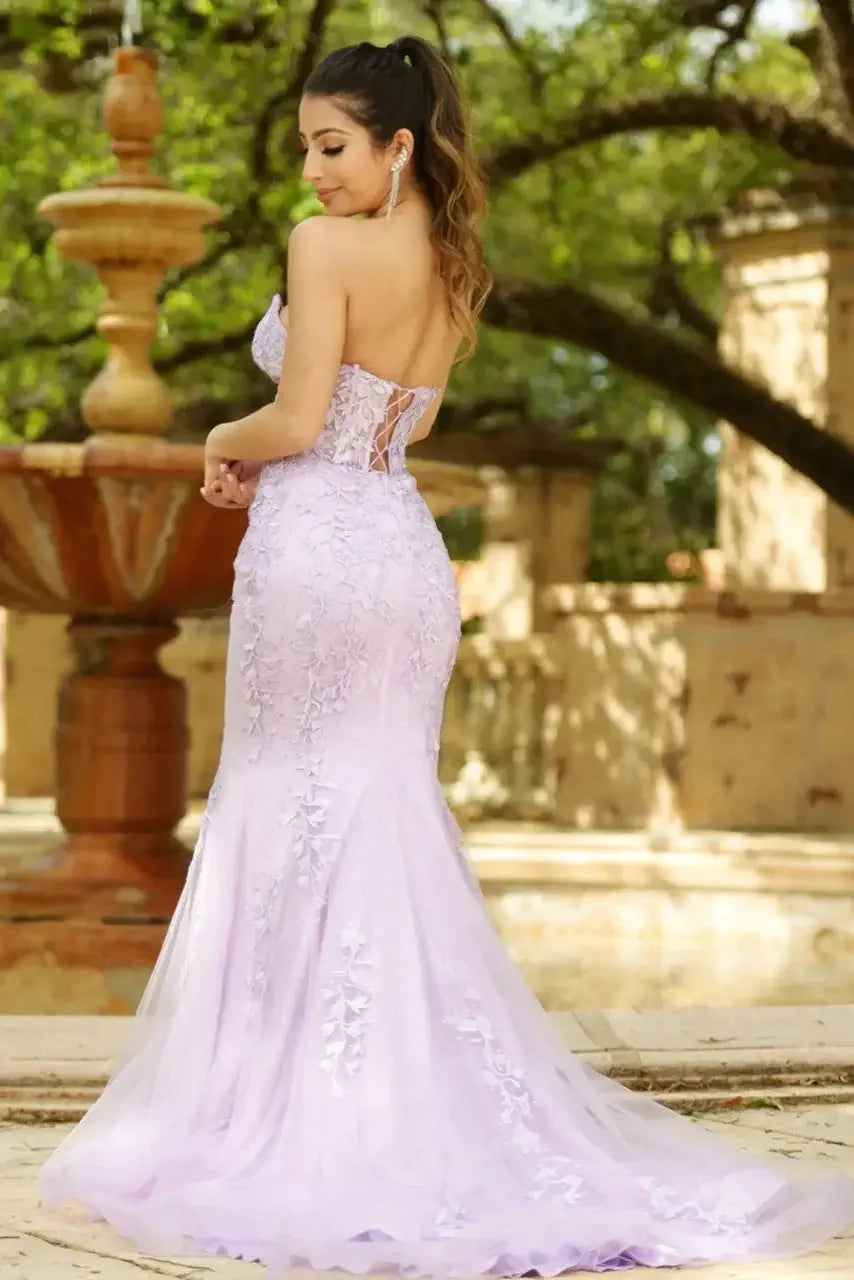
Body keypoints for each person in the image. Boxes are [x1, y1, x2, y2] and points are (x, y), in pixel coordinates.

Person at [40, 34, 854, 1277]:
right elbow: (380, 423)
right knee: (378, 806)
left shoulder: (326, 249)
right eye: (308, 149)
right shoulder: (453, 261)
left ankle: (280, 1115)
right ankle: (391, 1107)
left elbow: (303, 417)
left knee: (288, 801)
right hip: (401, 556)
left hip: (315, 551)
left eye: (330, 147)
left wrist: (221, 428)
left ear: (397, 144)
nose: (311, 174)